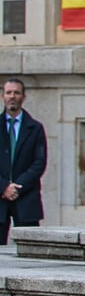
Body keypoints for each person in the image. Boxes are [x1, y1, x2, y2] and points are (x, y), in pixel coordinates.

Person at [0, 79, 47, 246]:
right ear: (2, 96)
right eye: (8, 92)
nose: (12, 96)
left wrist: (17, 186)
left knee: (30, 249)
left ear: (23, 97)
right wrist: (4, 186)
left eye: (16, 93)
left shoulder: (35, 128)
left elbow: (39, 163)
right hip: (0, 196)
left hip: (26, 198)